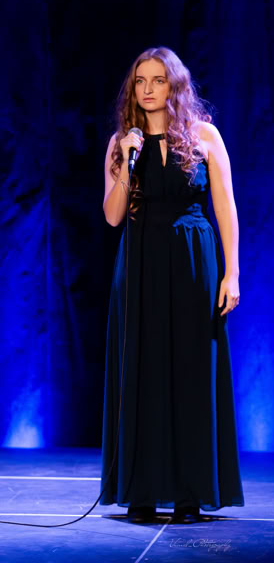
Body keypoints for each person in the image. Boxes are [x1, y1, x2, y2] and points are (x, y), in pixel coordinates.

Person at [100, 46, 244, 523]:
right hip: (140, 261)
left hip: (192, 261)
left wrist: (231, 273)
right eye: (140, 81)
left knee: (191, 371)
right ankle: (140, 492)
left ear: (174, 86)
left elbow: (225, 206)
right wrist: (127, 158)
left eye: (158, 80)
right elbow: (113, 216)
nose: (147, 89)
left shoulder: (203, 135)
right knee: (141, 370)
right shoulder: (123, 143)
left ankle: (189, 494)